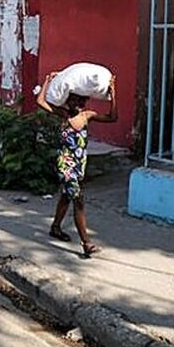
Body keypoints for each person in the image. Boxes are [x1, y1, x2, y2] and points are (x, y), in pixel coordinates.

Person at [36, 72, 118, 258]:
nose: (78, 103)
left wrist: (114, 93)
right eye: (74, 99)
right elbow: (40, 102)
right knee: (78, 200)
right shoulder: (63, 114)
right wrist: (48, 81)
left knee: (66, 196)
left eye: (81, 100)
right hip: (65, 164)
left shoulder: (88, 115)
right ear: (68, 100)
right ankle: (86, 243)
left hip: (79, 165)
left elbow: (113, 117)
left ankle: (55, 228)